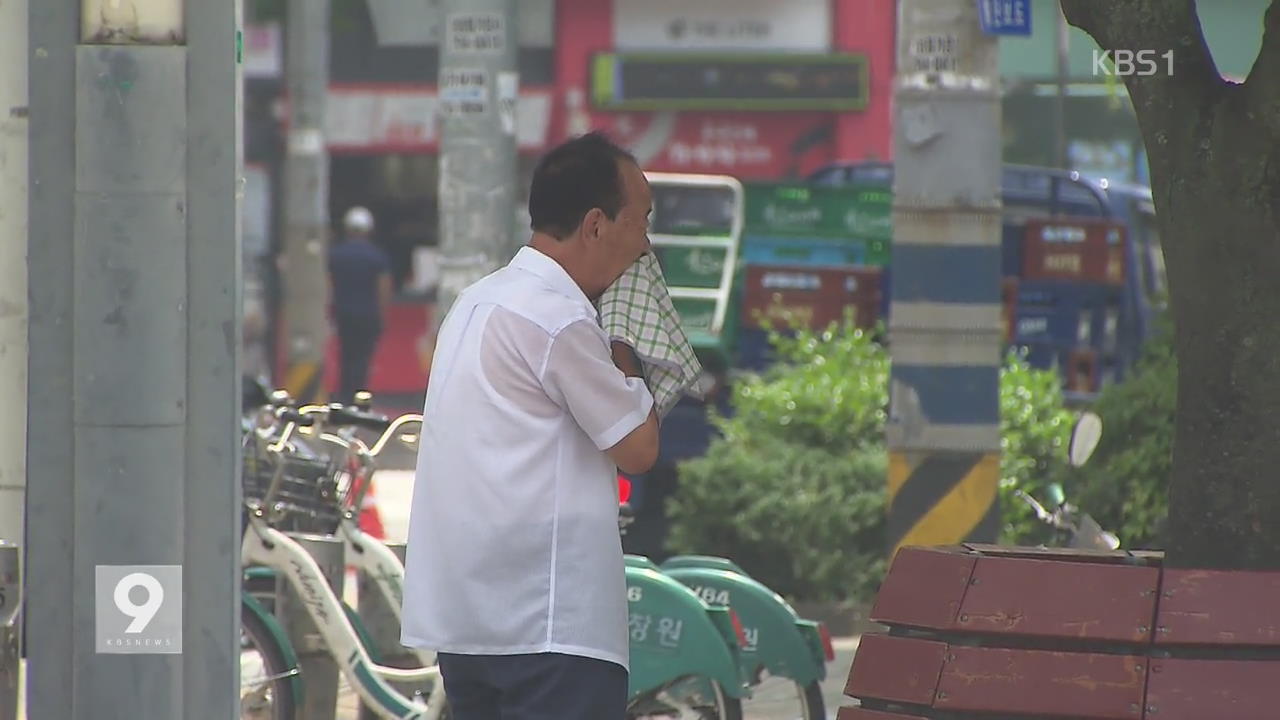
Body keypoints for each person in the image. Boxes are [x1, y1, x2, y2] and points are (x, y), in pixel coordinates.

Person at [400, 132, 660, 719]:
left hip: (467, 622)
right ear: (596, 225)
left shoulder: (477, 300)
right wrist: (627, 344)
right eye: (641, 221)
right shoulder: (559, 318)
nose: (646, 247)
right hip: (548, 626)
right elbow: (639, 447)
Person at [327, 206, 392, 404]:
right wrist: (383, 315)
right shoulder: (376, 256)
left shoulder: (336, 255)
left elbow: (328, 286)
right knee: (363, 358)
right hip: (368, 314)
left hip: (344, 313)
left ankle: (344, 396)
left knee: (346, 355)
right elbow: (383, 289)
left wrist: (330, 311)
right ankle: (358, 397)